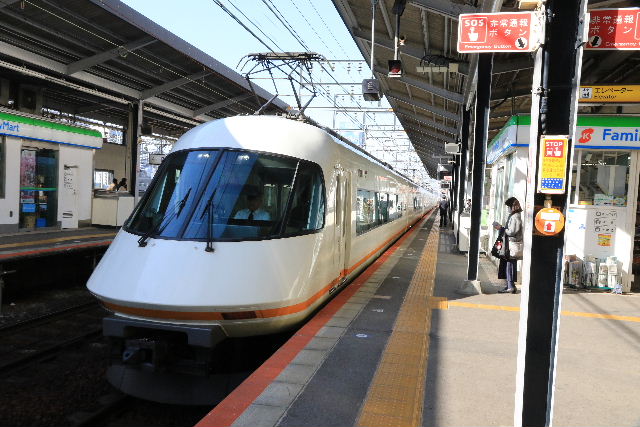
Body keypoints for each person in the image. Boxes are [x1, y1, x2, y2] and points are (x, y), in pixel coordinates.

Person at [493, 196, 523, 294]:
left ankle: (510, 286)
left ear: (512, 207)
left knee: (510, 265)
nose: (508, 209)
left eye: (508, 207)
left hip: (511, 245)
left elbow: (512, 231)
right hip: (509, 244)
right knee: (508, 265)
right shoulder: (514, 216)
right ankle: (510, 286)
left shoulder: (515, 217)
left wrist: (501, 228)